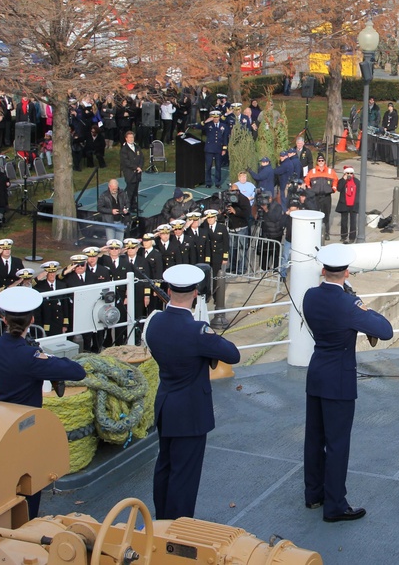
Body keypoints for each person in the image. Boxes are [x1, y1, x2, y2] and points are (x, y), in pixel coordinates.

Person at [303, 244, 394, 522]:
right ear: (347, 272)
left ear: (322, 270)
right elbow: (385, 330)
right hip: (339, 380)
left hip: (316, 373)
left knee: (314, 440)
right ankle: (335, 505)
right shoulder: (348, 305)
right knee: (338, 443)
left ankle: (313, 495)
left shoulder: (310, 296)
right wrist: (366, 309)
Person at [146, 264, 240, 520]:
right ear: (196, 294)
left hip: (166, 406)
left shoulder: (155, 323)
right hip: (190, 413)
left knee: (164, 467)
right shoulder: (197, 331)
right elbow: (233, 354)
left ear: (168, 290)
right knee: (184, 476)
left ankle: (162, 520)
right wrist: (206, 333)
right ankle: (178, 529)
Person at [0, 287, 86, 518]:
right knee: (31, 480)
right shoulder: (31, 358)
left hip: (4, 423)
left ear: (3, 318)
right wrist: (45, 357)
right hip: (27, 426)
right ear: (32, 320)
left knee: (8, 478)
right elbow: (77, 372)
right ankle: (27, 523)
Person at [304, 154, 338, 241]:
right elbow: (307, 180)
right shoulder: (313, 171)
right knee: (315, 215)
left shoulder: (330, 171)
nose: (321, 162)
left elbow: (335, 180)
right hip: (315, 197)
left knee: (326, 216)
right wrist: (309, 188)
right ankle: (314, 233)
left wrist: (334, 188)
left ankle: (326, 233)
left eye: (322, 161)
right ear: (317, 162)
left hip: (326, 196)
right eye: (319, 161)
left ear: (325, 162)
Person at [34, 261, 70, 336]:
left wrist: (65, 324)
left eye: (54, 272)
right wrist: (38, 277)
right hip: (47, 323)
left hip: (59, 322)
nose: (52, 274)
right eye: (50, 272)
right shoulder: (40, 286)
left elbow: (65, 305)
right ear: (46, 274)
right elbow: (30, 285)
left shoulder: (62, 285)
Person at [202, 110, 228, 188]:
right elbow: (198, 127)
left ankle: (217, 182)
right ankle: (208, 182)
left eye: (217, 117)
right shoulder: (208, 125)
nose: (216, 119)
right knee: (209, 166)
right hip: (209, 148)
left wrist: (224, 149)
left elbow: (225, 138)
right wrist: (206, 121)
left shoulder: (223, 126)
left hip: (218, 148)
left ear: (219, 117)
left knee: (218, 166)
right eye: (214, 117)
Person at [120, 130, 144, 214]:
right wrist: (135, 167)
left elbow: (141, 158)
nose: (131, 139)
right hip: (130, 174)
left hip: (137, 173)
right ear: (126, 139)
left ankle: (134, 206)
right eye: (129, 137)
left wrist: (140, 167)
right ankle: (128, 207)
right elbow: (126, 162)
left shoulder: (137, 147)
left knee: (135, 191)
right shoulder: (124, 149)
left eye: (132, 137)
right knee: (130, 192)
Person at [335, 166, 359, 244]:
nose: (349, 175)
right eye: (347, 173)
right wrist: (344, 180)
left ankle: (352, 237)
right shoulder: (342, 181)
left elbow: (360, 192)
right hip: (344, 203)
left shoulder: (356, 181)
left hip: (353, 204)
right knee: (344, 221)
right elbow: (338, 189)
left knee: (353, 222)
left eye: (351, 173)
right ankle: (343, 236)